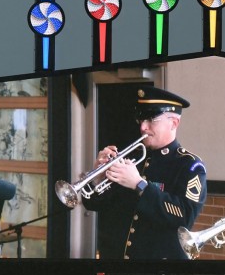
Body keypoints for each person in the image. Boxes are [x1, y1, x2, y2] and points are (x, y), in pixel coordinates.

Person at [82, 86, 207, 260]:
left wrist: (139, 185)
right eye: (141, 119)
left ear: (174, 123)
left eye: (151, 120)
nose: (143, 127)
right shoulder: (132, 157)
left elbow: (185, 217)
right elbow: (93, 204)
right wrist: (96, 177)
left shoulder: (190, 166)